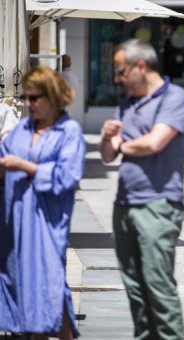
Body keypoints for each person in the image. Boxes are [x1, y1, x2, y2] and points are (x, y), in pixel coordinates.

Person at [100, 39, 184, 339]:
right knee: (135, 291)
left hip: (159, 204)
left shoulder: (174, 97)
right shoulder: (127, 102)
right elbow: (108, 154)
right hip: (124, 204)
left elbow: (154, 142)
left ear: (141, 66)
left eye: (121, 70)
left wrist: (124, 143)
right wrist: (106, 138)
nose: (117, 77)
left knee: (158, 287)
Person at [0, 66, 84, 339]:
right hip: (16, 223)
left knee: (49, 286)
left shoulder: (68, 131)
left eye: (35, 98)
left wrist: (26, 167)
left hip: (47, 222)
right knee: (24, 289)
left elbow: (68, 175)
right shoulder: (21, 129)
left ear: (53, 97)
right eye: (26, 97)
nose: (28, 103)